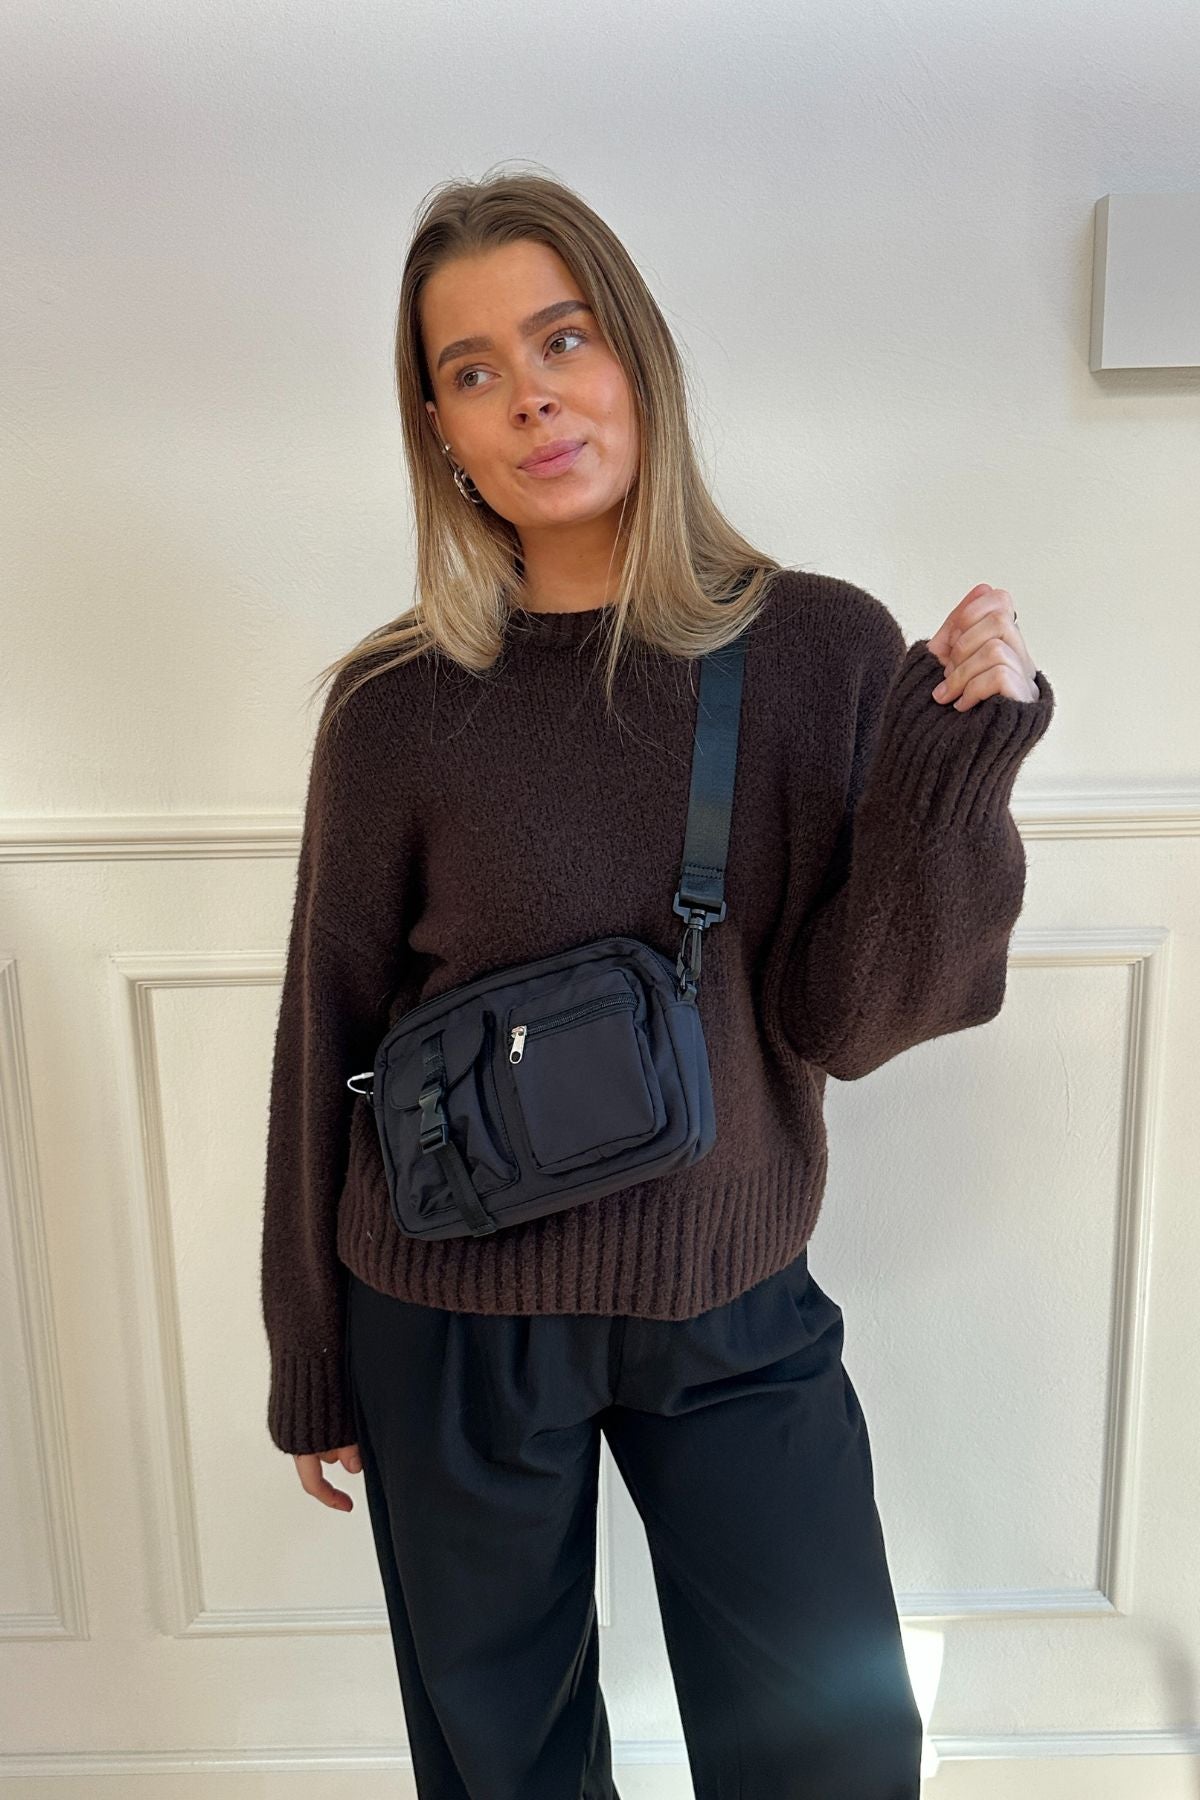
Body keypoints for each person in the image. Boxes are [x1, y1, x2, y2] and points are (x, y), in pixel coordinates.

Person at [259, 168, 1056, 1800]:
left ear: (639, 357)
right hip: (452, 1321)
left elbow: (852, 1021)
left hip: (733, 1294)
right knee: (506, 1769)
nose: (532, 395)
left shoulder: (823, 649)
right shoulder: (396, 707)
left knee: (832, 1754)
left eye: (563, 339)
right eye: (474, 369)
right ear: (439, 431)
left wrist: (960, 775)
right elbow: (325, 1030)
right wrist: (313, 1352)